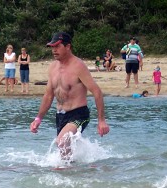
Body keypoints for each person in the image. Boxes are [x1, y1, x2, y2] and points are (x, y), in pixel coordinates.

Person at [30, 32, 110, 160]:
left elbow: (97, 92)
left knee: (61, 141)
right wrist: (38, 119)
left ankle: (68, 172)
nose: (54, 50)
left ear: (67, 47)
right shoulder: (52, 68)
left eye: (57, 46)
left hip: (79, 114)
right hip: (60, 116)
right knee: (64, 152)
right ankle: (72, 174)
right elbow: (49, 95)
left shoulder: (78, 66)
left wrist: (101, 120)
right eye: (52, 47)